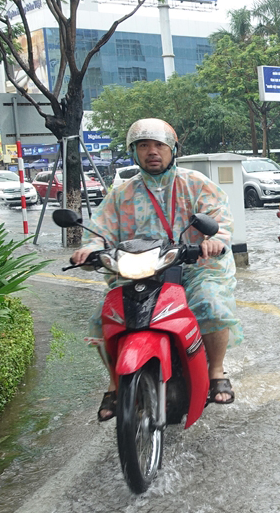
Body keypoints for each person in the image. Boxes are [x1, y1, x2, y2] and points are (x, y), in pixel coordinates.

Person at [71, 118, 241, 421]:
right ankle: (114, 385)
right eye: (143, 145)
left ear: (172, 149)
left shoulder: (196, 183)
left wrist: (214, 239)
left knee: (211, 304)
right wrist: (89, 248)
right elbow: (99, 229)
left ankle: (216, 372)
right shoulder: (120, 194)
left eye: (159, 145)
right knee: (103, 317)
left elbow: (220, 219)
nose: (152, 151)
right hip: (139, 271)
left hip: (194, 266)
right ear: (134, 153)